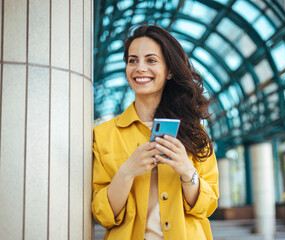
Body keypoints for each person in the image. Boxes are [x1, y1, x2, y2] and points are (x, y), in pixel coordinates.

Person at [92, 24, 219, 240]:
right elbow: (102, 214)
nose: (140, 68)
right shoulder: (103, 134)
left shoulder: (194, 131)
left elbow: (207, 207)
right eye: (133, 60)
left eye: (151, 60)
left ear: (169, 71)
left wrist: (187, 171)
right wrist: (127, 171)